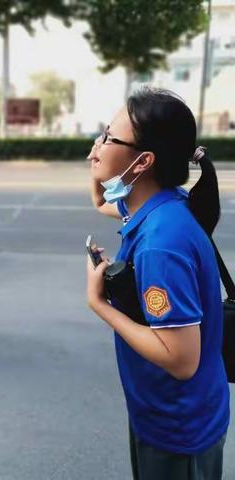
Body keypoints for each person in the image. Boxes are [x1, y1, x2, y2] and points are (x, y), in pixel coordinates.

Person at [86, 88, 229, 480]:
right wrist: (98, 163)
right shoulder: (162, 202)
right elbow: (100, 202)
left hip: (178, 427)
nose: (97, 145)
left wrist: (101, 305)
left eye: (109, 138)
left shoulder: (161, 244)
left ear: (143, 161)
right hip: (168, 412)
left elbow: (182, 361)